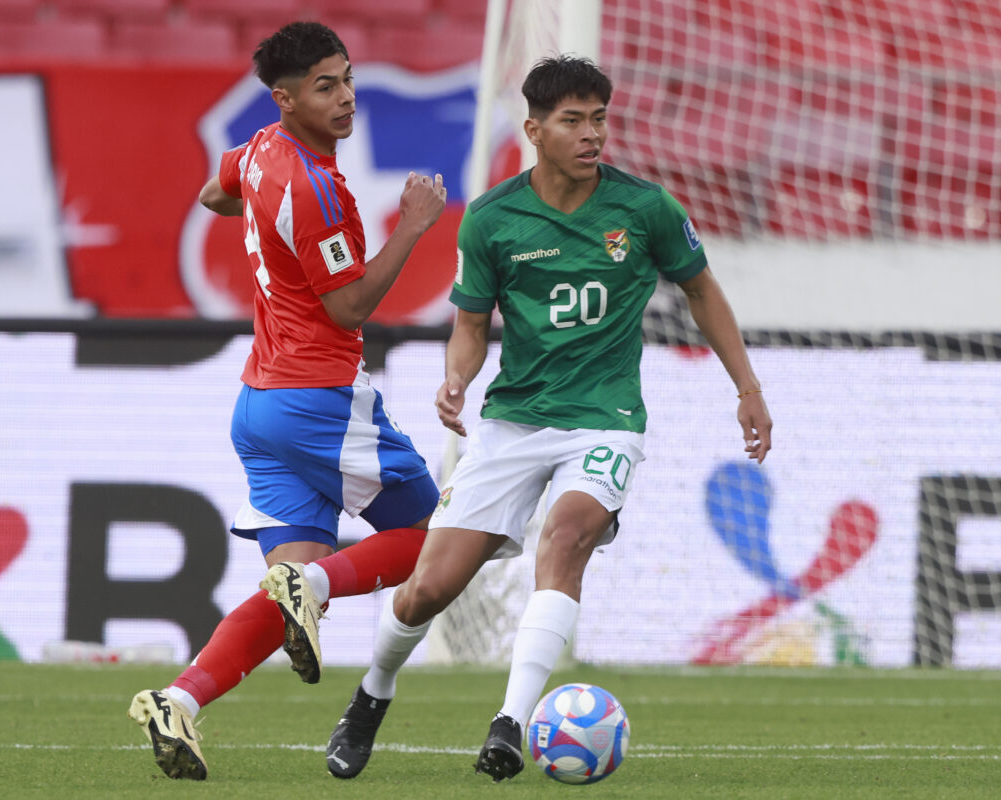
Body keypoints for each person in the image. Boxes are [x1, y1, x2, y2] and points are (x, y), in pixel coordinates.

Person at [323, 54, 772, 783]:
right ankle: (372, 693)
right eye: (573, 121)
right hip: (514, 423)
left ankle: (510, 724)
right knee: (427, 590)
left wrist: (746, 387)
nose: (592, 134)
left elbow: (702, 292)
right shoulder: (494, 219)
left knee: (564, 541)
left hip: (606, 419)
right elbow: (471, 323)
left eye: (599, 118)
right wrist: (456, 380)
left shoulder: (646, 209)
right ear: (534, 129)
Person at [126, 21, 447, 781]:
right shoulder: (317, 187)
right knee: (433, 538)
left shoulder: (260, 150)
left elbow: (213, 192)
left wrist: (267, 224)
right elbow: (348, 306)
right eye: (324, 87)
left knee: (288, 597)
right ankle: (319, 583)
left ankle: (179, 701)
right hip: (318, 399)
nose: (344, 99)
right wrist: (413, 226)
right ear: (285, 97)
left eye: (346, 79)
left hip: (259, 407)